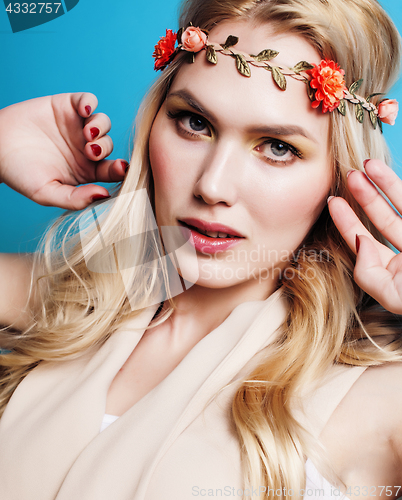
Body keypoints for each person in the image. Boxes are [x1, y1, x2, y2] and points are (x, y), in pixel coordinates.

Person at [0, 0, 402, 498]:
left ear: (341, 178)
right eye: (194, 122)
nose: (212, 185)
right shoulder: (60, 302)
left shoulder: (377, 393)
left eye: (277, 147)